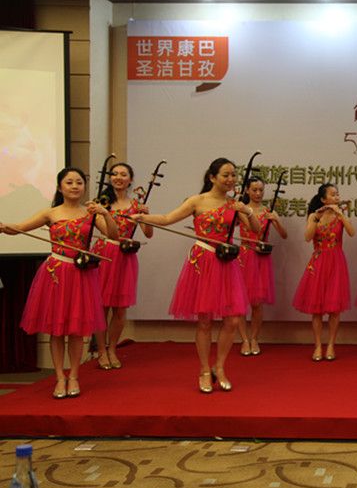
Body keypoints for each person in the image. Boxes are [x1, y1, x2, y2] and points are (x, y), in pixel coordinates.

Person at [133, 158, 259, 393]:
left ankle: (219, 366)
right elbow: (167, 219)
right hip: (204, 261)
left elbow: (255, 229)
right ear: (212, 177)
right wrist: (142, 218)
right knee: (205, 321)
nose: (231, 179)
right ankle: (204, 369)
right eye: (225, 175)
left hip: (227, 263)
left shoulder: (234, 204)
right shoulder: (197, 201)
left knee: (232, 320)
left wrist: (247, 210)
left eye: (233, 175)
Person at [0, 167, 118, 399]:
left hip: (81, 275)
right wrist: (5, 227)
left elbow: (113, 236)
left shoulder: (91, 213)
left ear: (84, 187)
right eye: (69, 182)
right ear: (59, 187)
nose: (75, 186)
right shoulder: (50, 213)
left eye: (79, 182)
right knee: (56, 330)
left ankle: (73, 376)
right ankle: (59, 377)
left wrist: (106, 214)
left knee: (76, 330)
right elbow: (20, 228)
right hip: (55, 273)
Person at [92, 162, 153, 370]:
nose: (118, 177)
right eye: (115, 174)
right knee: (101, 307)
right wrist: (104, 213)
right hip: (104, 254)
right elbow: (109, 233)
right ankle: (101, 351)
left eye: (123, 174)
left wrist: (146, 216)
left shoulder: (136, 204)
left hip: (125, 258)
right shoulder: (101, 203)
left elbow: (148, 234)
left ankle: (112, 349)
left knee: (120, 310)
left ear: (130, 179)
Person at [292, 183, 354, 361]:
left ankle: (331, 345)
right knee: (317, 309)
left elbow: (352, 232)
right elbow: (308, 237)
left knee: (335, 310)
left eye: (337, 194)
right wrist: (317, 217)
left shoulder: (340, 214)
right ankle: (318, 345)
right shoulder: (314, 215)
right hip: (318, 262)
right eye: (333, 195)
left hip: (336, 262)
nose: (337, 197)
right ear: (323, 199)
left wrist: (340, 214)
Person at [236, 177, 287, 357]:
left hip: (261, 259)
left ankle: (254, 338)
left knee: (257, 304)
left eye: (261, 190)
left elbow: (284, 235)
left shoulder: (268, 211)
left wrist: (277, 220)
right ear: (247, 190)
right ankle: (244, 340)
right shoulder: (241, 209)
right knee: (241, 303)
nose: (258, 193)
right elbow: (246, 228)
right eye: (254, 190)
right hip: (244, 256)